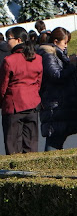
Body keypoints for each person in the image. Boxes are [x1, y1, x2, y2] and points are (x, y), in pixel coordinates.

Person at [38, 27, 77, 151]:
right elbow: (57, 75)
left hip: (59, 102)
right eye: (64, 42)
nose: (66, 46)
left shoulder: (57, 54)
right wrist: (71, 64)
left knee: (57, 138)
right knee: (54, 138)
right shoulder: (48, 54)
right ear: (55, 42)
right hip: (54, 102)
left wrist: (72, 62)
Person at [0, 26, 43, 154]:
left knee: (13, 145)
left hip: (13, 106)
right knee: (31, 144)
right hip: (32, 104)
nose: (7, 42)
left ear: (18, 40)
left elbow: (3, 86)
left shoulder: (9, 60)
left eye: (9, 38)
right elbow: (38, 82)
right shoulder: (37, 58)